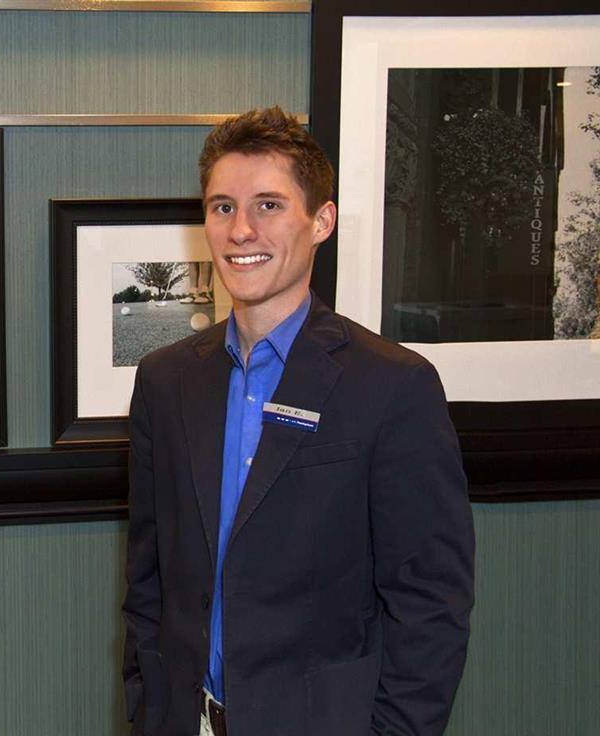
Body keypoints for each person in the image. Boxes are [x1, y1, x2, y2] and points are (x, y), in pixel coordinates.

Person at [122, 107, 474, 736]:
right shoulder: (165, 382)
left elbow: (430, 606)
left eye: (269, 206)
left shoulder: (392, 387)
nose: (241, 231)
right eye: (223, 207)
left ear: (321, 221)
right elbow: (149, 584)